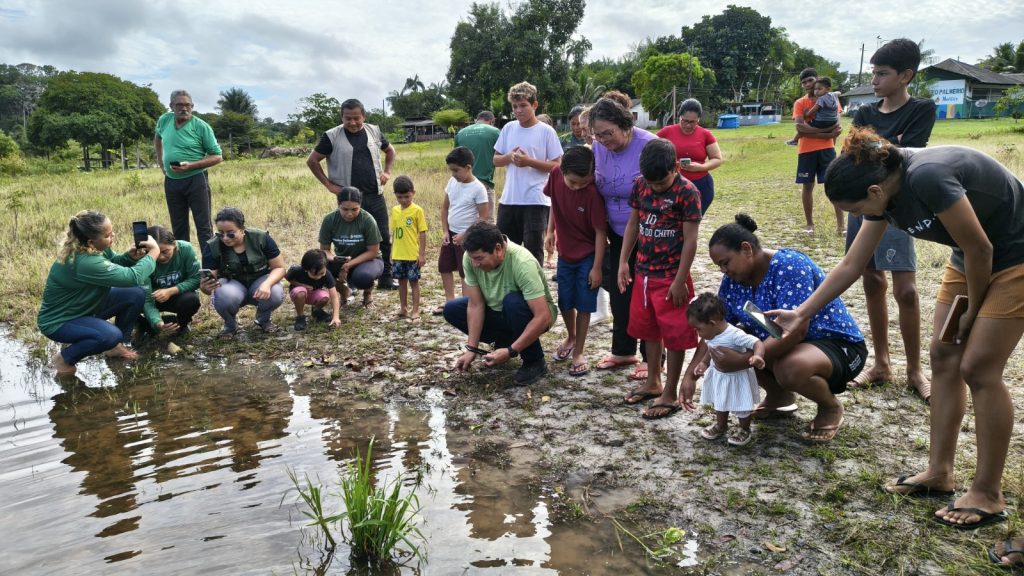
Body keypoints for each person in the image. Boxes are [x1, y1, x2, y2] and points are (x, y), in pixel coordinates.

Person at [774, 127, 1024, 529]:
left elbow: (983, 249)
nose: (856, 217)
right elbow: (852, 264)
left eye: (855, 210)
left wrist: (972, 312)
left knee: (978, 366)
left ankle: (988, 493)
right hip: (970, 256)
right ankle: (940, 472)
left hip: (1015, 253)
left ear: (874, 192)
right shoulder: (882, 196)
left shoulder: (926, 175)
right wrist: (801, 313)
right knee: (944, 356)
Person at [686, 214, 866, 442]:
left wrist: (742, 361)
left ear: (746, 249)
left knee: (790, 366)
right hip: (789, 346)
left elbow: (796, 331)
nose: (723, 270)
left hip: (837, 346)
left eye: (725, 262)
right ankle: (779, 395)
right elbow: (718, 329)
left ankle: (830, 407)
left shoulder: (789, 266)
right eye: (719, 265)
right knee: (735, 341)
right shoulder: (733, 280)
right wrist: (691, 374)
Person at [844, 38, 937, 401]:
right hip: (864, 205)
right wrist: (888, 144)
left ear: (905, 76)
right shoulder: (865, 111)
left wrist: (877, 147)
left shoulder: (922, 109)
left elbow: (906, 157)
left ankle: (915, 370)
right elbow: (853, 153)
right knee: (870, 281)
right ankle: (881, 363)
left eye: (882, 74)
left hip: (898, 207)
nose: (875, 80)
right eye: (873, 73)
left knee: (907, 291)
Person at [617, 138, 701, 419]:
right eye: (651, 183)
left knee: (675, 334)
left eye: (661, 183)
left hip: (670, 277)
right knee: (649, 330)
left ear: (676, 167)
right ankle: (653, 380)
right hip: (643, 273)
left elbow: (690, 241)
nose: (654, 188)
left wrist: (679, 281)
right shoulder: (641, 184)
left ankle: (671, 392)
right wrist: (623, 263)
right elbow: (633, 223)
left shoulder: (687, 192)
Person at [590, 93, 659, 382]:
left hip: (652, 232)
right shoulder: (597, 146)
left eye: (609, 133)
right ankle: (623, 350)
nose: (604, 140)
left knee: (648, 294)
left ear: (626, 125)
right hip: (617, 231)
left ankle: (651, 357)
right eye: (598, 134)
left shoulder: (650, 146)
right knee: (620, 292)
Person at [38, 210, 158, 376]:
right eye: (108, 235)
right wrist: (154, 253)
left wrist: (129, 258)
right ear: (90, 242)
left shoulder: (92, 250)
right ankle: (64, 359)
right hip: (60, 321)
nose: (113, 236)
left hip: (84, 307)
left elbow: (113, 264)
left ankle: (116, 346)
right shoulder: (85, 261)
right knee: (109, 335)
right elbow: (132, 277)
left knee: (134, 294)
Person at [444, 221, 557, 387]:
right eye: (472, 258)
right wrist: (472, 349)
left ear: (498, 249)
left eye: (479, 259)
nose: (475, 263)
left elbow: (543, 316)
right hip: (497, 310)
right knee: (452, 309)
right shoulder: (470, 259)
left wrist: (511, 352)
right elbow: (476, 305)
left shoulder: (522, 262)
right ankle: (505, 339)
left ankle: (534, 361)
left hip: (531, 313)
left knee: (512, 302)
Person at [306, 98, 398, 290]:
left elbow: (390, 151)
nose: (353, 123)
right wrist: (328, 184)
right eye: (348, 118)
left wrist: (387, 171)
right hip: (350, 199)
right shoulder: (331, 136)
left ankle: (386, 276)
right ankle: (349, 277)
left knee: (382, 235)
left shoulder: (374, 130)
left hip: (375, 194)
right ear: (342, 117)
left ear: (364, 116)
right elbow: (312, 161)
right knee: (351, 238)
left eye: (357, 118)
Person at [543, 146, 607, 377]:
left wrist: (597, 267)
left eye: (584, 182)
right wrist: (550, 231)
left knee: (584, 304)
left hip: (588, 256)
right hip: (565, 253)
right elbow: (554, 205)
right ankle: (570, 336)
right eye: (573, 182)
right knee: (565, 301)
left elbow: (601, 232)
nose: (578, 186)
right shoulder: (555, 175)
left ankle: (579, 351)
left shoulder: (592, 193)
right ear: (562, 170)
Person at [493, 81, 563, 264]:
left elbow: (557, 166)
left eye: (523, 105)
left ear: (534, 105)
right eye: (515, 106)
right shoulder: (508, 128)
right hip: (509, 199)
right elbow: (496, 159)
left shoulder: (546, 132)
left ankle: (536, 291)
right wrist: (510, 157)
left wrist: (529, 162)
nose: (518, 110)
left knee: (533, 252)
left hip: (536, 200)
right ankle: (509, 291)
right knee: (504, 250)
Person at [689, 292, 766, 446]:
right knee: (720, 401)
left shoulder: (734, 334)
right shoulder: (709, 335)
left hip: (737, 377)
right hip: (719, 375)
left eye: (698, 329)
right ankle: (721, 425)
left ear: (712, 323)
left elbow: (757, 342)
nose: (697, 333)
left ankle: (744, 428)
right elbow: (710, 350)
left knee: (742, 405)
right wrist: (704, 363)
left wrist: (757, 356)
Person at [200, 207, 286, 337]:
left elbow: (280, 268)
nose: (225, 238)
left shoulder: (261, 238)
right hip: (231, 285)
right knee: (222, 296)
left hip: (259, 282)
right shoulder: (212, 246)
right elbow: (209, 284)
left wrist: (267, 284)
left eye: (230, 233)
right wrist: (205, 287)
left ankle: (263, 319)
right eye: (220, 233)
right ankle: (230, 325)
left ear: (242, 229)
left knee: (275, 292)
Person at [154, 89, 223, 246]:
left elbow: (217, 156)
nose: (184, 108)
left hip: (196, 179)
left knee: (203, 226)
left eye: (187, 105)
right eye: (179, 105)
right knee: (178, 227)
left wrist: (191, 166)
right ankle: (185, 265)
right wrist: (161, 162)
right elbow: (157, 137)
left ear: (192, 106)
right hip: (171, 180)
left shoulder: (201, 127)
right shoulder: (164, 120)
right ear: (171, 106)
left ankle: (209, 267)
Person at [436, 146, 490, 315]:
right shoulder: (452, 182)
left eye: (456, 170)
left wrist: (466, 235)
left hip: (466, 237)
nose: (453, 174)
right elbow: (445, 208)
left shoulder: (479, 188)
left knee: (464, 271)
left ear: (468, 168)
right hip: (450, 234)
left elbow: (483, 217)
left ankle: (466, 305)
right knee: (444, 266)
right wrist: (445, 231)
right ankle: (450, 301)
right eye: (451, 170)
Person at [791, 68, 844, 235]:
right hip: (806, 150)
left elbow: (837, 123)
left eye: (810, 80)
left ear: (817, 79)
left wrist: (821, 133)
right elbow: (800, 127)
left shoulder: (831, 98)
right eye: (804, 82)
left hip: (827, 150)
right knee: (807, 186)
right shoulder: (800, 103)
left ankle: (841, 226)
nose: (807, 84)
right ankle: (809, 224)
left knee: (834, 185)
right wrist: (827, 134)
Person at [319, 187, 384, 308]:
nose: (349, 214)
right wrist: (334, 259)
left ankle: (367, 293)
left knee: (363, 278)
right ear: (338, 204)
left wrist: (348, 266)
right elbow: (324, 250)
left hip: (368, 260)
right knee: (318, 269)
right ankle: (343, 291)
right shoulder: (329, 220)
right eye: (345, 209)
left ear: (360, 205)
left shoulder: (367, 220)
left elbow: (373, 251)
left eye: (355, 209)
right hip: (342, 259)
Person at [656, 98, 724, 215]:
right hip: (671, 185)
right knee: (673, 222)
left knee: (692, 222)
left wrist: (700, 167)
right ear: (679, 117)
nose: (688, 125)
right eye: (684, 121)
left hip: (701, 185)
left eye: (692, 122)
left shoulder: (705, 134)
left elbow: (717, 159)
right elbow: (650, 152)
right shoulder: (666, 132)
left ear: (698, 119)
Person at [139, 225, 201, 337]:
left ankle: (182, 325)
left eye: (165, 251)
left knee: (192, 300)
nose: (161, 257)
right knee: (133, 298)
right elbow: (146, 299)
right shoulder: (143, 258)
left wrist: (171, 291)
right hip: (152, 298)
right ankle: (145, 325)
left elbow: (196, 278)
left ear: (174, 244)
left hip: (178, 295)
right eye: (156, 253)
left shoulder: (185, 249)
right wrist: (157, 323)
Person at [390, 176, 428, 320]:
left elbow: (423, 232)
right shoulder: (395, 210)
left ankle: (415, 310)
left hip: (412, 255)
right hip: (398, 254)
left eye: (407, 196)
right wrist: (392, 252)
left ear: (413, 193)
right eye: (400, 197)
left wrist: (422, 254)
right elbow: (394, 232)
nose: (404, 200)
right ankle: (403, 308)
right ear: (395, 195)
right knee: (401, 283)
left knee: (414, 283)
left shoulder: (417, 210)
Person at [455, 111, 500, 220]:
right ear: (491, 122)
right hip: (484, 182)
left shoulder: (461, 133)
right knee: (487, 221)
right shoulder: (495, 132)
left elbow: (455, 157)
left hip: (462, 183)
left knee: (467, 220)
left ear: (477, 119)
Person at [286, 249, 342, 331]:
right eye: (314, 275)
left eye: (321, 273)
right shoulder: (297, 270)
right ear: (306, 269)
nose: (319, 277)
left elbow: (334, 297)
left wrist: (336, 317)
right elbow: (287, 276)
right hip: (298, 293)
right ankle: (300, 317)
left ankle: (316, 311)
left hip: (313, 293)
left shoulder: (327, 274)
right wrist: (301, 285)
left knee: (325, 297)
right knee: (300, 292)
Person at [787, 77, 839, 145]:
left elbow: (814, 110)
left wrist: (806, 114)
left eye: (811, 80)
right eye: (815, 89)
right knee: (800, 127)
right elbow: (836, 130)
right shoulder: (833, 96)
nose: (816, 91)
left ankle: (795, 140)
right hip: (832, 121)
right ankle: (795, 140)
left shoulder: (821, 99)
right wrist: (830, 134)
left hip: (821, 125)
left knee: (803, 125)